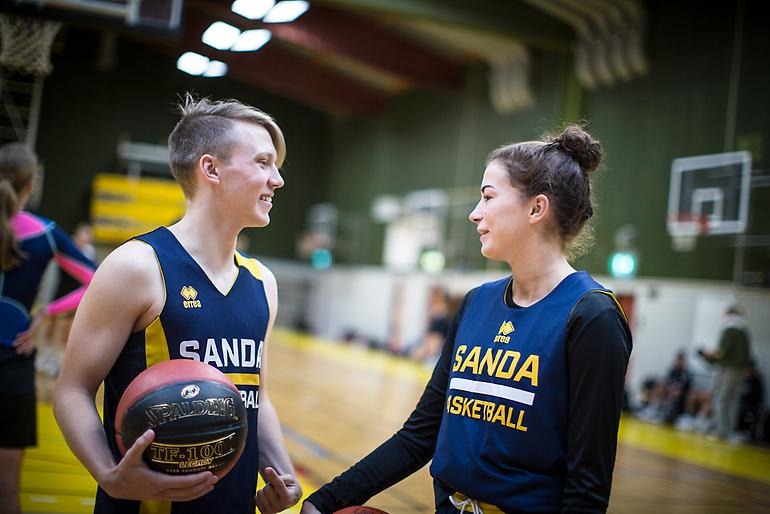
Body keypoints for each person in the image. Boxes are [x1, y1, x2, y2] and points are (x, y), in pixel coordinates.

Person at [301, 125, 632, 514]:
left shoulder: (593, 316)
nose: (476, 214)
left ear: (536, 208)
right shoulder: (477, 303)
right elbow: (418, 437)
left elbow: (586, 492)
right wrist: (326, 501)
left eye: (488, 198)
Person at [53, 94, 302, 514]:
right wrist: (108, 476)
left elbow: (254, 394)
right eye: (263, 163)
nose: (277, 180)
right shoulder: (137, 265)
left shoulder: (264, 282)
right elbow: (72, 390)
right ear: (211, 169)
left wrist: (282, 473)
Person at [0, 142, 96, 514]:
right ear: (31, 186)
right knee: (8, 489)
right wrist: (44, 315)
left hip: (17, 364)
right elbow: (95, 280)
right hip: (16, 361)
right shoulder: (46, 233)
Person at [697, 305, 752, 439]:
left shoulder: (729, 329)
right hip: (740, 370)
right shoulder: (744, 330)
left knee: (720, 399)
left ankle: (721, 432)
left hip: (728, 369)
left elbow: (723, 352)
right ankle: (730, 432)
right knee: (732, 401)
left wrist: (708, 354)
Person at [410, 286, 451, 365]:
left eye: (434, 303)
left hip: (434, 358)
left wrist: (422, 352)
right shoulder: (439, 321)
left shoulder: (441, 321)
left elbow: (433, 347)